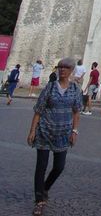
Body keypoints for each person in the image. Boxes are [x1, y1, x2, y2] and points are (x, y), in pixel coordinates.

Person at [27, 56, 82, 216]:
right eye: (60, 67)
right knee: (41, 167)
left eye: (65, 68)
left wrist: (74, 131)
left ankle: (44, 188)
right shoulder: (50, 88)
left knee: (59, 167)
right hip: (44, 131)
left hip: (63, 134)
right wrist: (32, 131)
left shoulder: (75, 90)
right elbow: (38, 110)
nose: (62, 70)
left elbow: (77, 112)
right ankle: (39, 200)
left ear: (71, 71)